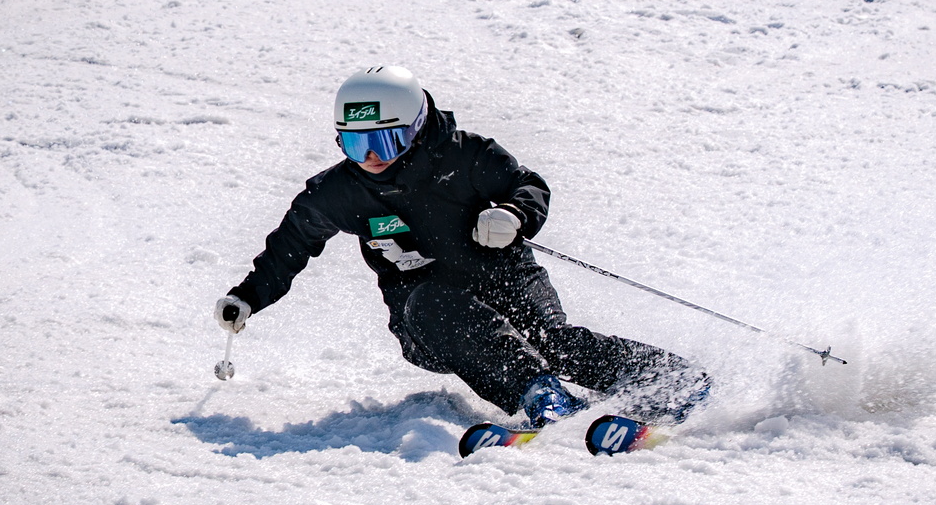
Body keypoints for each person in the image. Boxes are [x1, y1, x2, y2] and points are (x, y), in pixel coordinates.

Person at [215, 66, 709, 429]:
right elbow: (290, 247)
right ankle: (541, 396)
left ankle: (669, 378)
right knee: (433, 301)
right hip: (427, 320)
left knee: (549, 341)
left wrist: (514, 215)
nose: (370, 158)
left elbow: (529, 186)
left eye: (385, 143)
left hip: (506, 281)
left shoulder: (465, 155)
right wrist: (248, 297)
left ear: (415, 127)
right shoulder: (338, 192)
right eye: (354, 145)